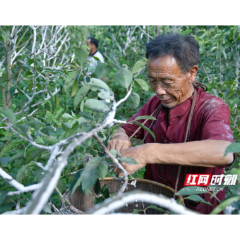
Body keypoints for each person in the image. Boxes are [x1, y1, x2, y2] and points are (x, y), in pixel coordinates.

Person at [107, 34, 235, 215]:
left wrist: (148, 153)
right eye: (153, 80)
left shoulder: (211, 108)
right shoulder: (154, 105)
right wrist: (119, 136)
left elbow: (224, 152)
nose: (159, 90)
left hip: (198, 209)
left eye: (167, 82)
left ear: (191, 73)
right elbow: (125, 128)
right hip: (155, 206)